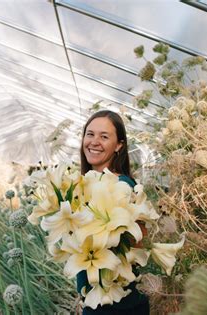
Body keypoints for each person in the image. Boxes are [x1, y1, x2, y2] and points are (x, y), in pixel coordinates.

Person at [78, 110, 150, 314]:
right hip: (98, 298)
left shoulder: (122, 184)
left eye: (104, 136)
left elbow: (139, 238)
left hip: (120, 303)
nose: (94, 142)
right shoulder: (85, 183)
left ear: (119, 145)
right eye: (90, 134)